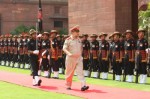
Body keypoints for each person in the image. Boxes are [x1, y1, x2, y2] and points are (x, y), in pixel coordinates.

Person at [63, 25, 89, 91]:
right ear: (72, 32)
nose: (78, 33)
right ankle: (68, 85)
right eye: (76, 31)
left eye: (78, 31)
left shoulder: (79, 40)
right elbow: (64, 48)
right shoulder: (68, 40)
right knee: (69, 72)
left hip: (78, 58)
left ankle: (83, 85)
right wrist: (69, 54)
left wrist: (80, 55)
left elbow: (81, 48)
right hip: (71, 58)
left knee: (80, 72)